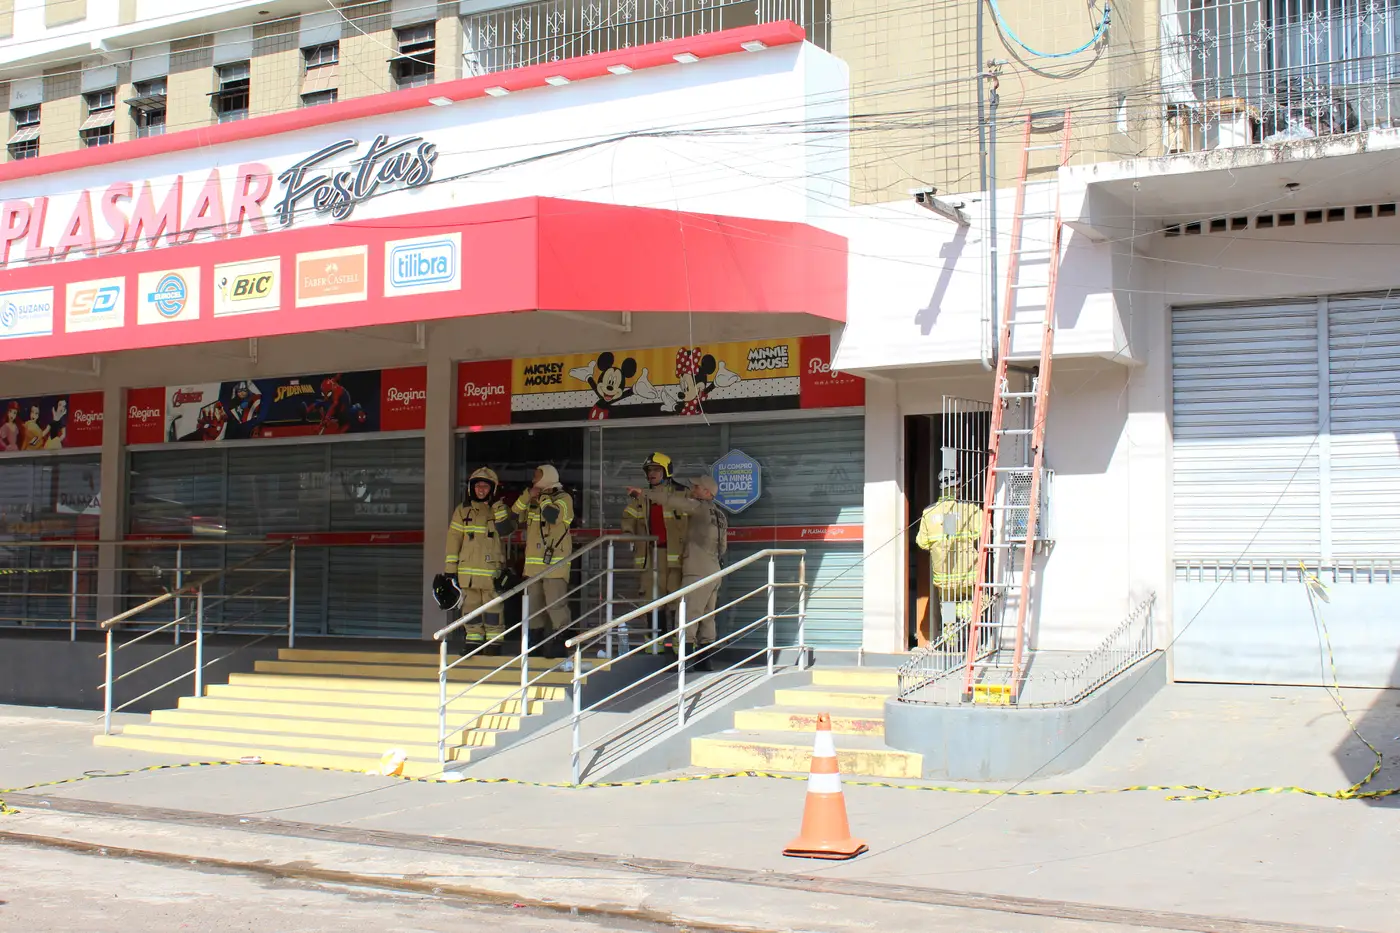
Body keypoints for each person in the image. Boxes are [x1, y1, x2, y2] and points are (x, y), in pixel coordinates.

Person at [625, 474, 727, 670]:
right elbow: (723, 547)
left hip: (696, 570)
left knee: (688, 615)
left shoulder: (698, 507)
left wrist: (644, 493)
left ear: (707, 492)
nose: (693, 490)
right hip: (715, 570)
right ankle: (705, 661)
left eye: (697, 487)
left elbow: (671, 500)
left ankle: (684, 661)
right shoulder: (721, 515)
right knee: (707, 617)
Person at [914, 468, 983, 650]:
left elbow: (922, 542)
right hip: (968, 572)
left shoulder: (929, 512)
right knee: (973, 605)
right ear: (958, 486)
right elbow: (983, 532)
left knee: (948, 608)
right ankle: (973, 643)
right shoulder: (970, 509)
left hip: (943, 575)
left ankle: (952, 646)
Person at [445, 466, 512, 649]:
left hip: (491, 570)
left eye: (485, 486)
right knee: (470, 607)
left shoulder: (499, 509)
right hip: (468, 572)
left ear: (493, 489)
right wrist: (450, 570)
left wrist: (497, 506)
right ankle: (473, 639)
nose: (481, 489)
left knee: (493, 608)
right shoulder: (462, 511)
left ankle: (494, 642)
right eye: (478, 485)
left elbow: (506, 530)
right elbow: (453, 541)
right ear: (471, 488)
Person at [512, 464, 574, 654]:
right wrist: (527, 496)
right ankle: (535, 644)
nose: (533, 480)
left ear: (547, 478)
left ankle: (560, 643)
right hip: (533, 568)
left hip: (555, 566)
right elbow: (514, 514)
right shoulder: (533, 499)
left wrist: (543, 497)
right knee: (534, 608)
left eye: (537, 477)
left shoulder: (564, 498)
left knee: (556, 606)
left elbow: (552, 516)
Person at [620, 452, 688, 607]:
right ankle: (655, 624)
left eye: (656, 469)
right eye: (649, 470)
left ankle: (675, 623)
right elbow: (629, 516)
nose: (652, 473)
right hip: (650, 555)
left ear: (666, 471)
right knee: (651, 600)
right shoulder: (641, 497)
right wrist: (628, 531)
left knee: (676, 599)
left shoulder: (682, 493)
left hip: (676, 555)